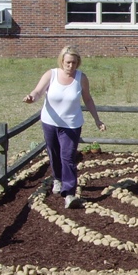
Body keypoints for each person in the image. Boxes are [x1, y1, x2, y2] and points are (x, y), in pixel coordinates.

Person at [23, 46, 106, 208]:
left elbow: (88, 99)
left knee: (67, 157)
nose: (71, 66)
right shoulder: (51, 74)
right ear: (62, 61)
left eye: (74, 63)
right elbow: (38, 91)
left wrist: (97, 119)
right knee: (54, 153)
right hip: (50, 122)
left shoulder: (81, 78)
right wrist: (31, 97)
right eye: (68, 62)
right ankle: (58, 179)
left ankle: (69, 194)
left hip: (71, 125)